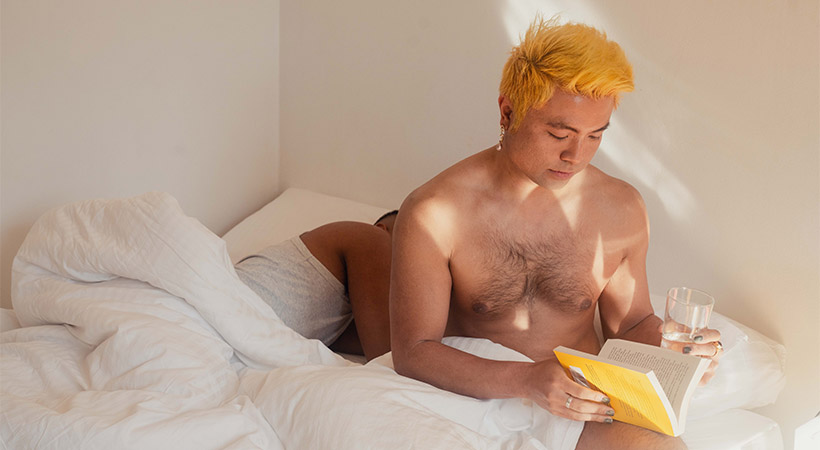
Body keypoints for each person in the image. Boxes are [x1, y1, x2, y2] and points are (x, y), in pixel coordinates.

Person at [389, 17, 722, 450]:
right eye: (558, 133)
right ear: (508, 112)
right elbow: (414, 350)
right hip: (471, 395)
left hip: (580, 400)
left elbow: (632, 324)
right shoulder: (435, 211)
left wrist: (677, 351)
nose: (575, 154)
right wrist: (526, 379)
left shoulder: (620, 209)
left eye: (594, 136)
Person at [235, 210, 397, 361]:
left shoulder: (344, 313)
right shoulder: (371, 237)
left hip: (236, 334)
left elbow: (388, 345)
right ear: (383, 229)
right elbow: (387, 354)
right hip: (232, 307)